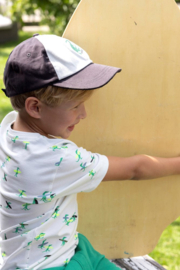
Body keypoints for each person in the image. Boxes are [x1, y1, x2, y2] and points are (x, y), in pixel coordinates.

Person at [0, 34, 180, 270]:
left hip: (67, 249)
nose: (83, 114)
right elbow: (136, 168)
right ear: (35, 107)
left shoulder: (8, 129)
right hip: (51, 266)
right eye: (75, 106)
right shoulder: (56, 158)